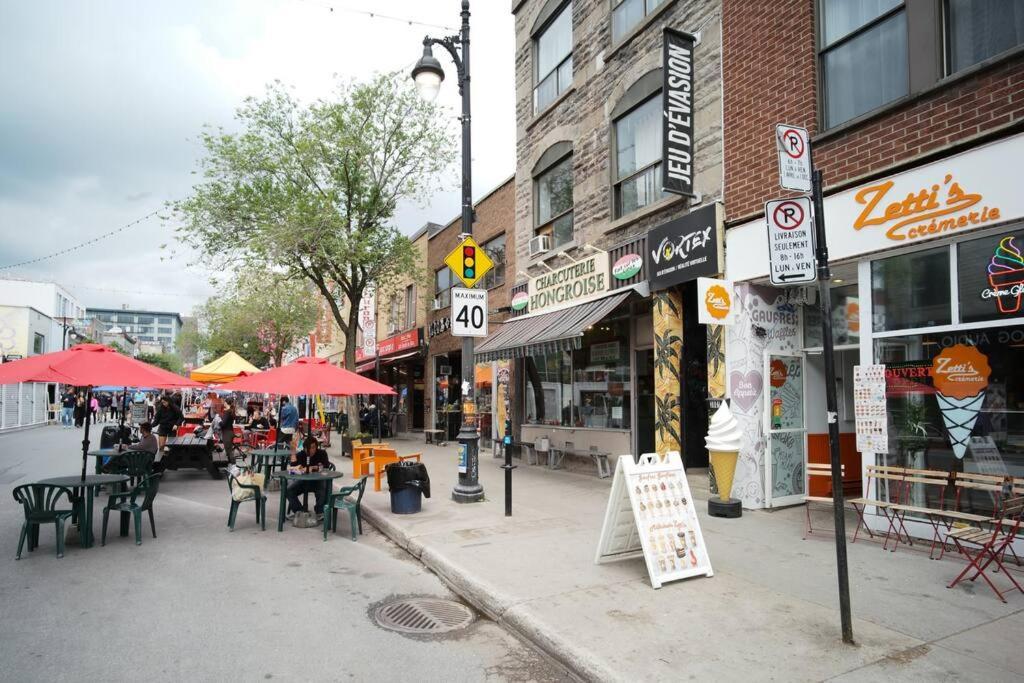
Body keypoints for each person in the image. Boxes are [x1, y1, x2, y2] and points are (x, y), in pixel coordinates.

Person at [286, 436, 332, 520]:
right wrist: (293, 452)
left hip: (318, 481)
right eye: (308, 448)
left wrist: (314, 468)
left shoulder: (322, 453)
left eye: (313, 448)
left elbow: (326, 466)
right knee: (289, 490)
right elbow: (293, 468)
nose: (311, 450)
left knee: (323, 486)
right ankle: (299, 511)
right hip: (303, 482)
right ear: (304, 448)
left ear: (316, 447)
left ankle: (319, 511)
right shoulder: (301, 454)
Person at [220, 397, 237, 464]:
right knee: (229, 451)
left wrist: (218, 421)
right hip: (230, 431)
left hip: (227, 433)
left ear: (226, 403)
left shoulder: (227, 412)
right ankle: (231, 466)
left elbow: (223, 424)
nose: (223, 403)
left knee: (229, 451)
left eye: (224, 402)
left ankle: (234, 467)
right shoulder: (231, 411)